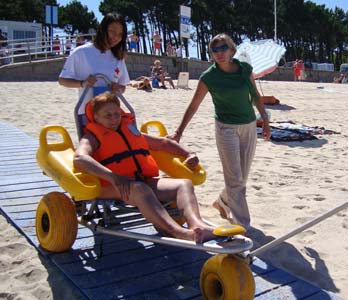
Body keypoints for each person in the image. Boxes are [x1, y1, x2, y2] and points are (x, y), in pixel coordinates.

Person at [74, 92, 216, 243]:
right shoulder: (92, 137)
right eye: (107, 116)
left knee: (184, 184)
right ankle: (178, 232)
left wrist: (188, 153)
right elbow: (79, 158)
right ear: (96, 117)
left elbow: (162, 143)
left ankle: (197, 225)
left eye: (117, 114)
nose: (114, 119)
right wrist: (113, 176)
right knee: (141, 189)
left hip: (141, 181)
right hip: (112, 185)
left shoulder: (129, 130)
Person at [170, 33, 271, 230]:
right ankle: (243, 226)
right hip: (226, 129)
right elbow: (193, 105)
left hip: (249, 126)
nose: (219, 53)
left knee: (242, 176)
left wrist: (265, 120)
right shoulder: (209, 77)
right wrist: (178, 131)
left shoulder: (244, 69)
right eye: (214, 50)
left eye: (223, 48)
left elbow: (256, 96)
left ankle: (223, 202)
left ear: (232, 50)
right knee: (235, 179)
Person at [58, 12, 130, 113]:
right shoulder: (81, 52)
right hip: (87, 114)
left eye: (119, 34)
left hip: (111, 116)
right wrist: (83, 83)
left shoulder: (119, 57)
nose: (115, 37)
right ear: (102, 29)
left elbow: (123, 86)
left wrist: (118, 88)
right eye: (112, 31)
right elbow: (62, 80)